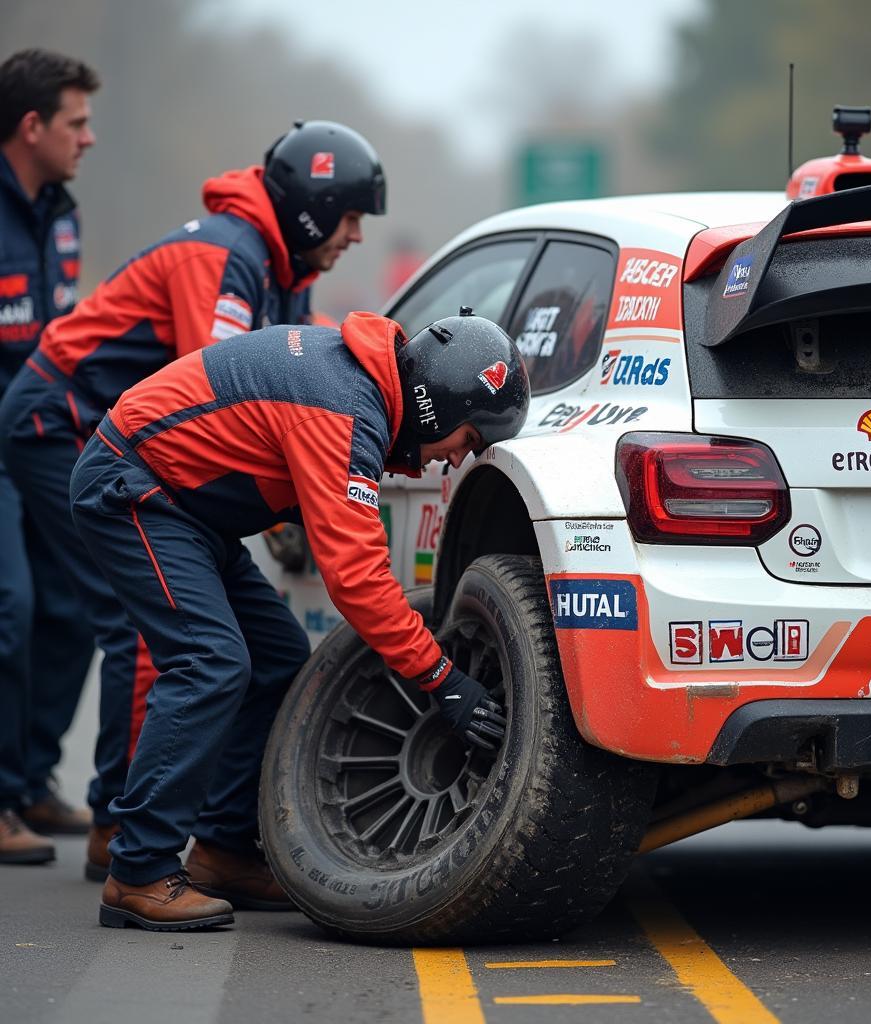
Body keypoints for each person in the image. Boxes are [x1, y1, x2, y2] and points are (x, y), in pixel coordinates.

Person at [0, 120, 384, 877]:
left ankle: (55, 791)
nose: (356, 237)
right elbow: (207, 398)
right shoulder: (225, 257)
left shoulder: (280, 267)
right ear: (312, 208)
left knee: (88, 613)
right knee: (143, 625)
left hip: (110, 432)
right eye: (348, 218)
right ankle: (121, 831)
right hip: (60, 419)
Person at [67, 308, 527, 930]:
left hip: (186, 506)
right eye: (467, 440)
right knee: (210, 662)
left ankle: (222, 850)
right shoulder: (343, 408)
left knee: (280, 655)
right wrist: (443, 678)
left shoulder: (358, 387)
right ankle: (139, 870)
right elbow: (357, 579)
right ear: (437, 405)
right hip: (135, 489)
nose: (453, 460)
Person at [0, 48, 100, 863]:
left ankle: (31, 780)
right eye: (77, 122)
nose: (89, 138)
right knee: (11, 607)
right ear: (31, 126)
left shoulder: (60, 210)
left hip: (43, 432)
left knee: (77, 603)